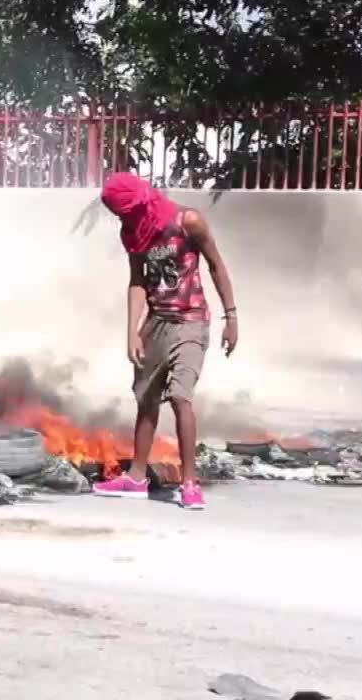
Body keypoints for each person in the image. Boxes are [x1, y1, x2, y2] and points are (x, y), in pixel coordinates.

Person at [91, 173, 238, 509]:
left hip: (191, 321)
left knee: (180, 397)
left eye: (124, 211)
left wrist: (232, 317)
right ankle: (137, 479)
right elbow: (137, 281)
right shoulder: (133, 231)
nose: (122, 218)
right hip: (156, 322)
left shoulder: (189, 222)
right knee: (146, 398)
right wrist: (131, 332)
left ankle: (189, 483)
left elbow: (217, 265)